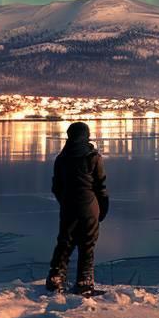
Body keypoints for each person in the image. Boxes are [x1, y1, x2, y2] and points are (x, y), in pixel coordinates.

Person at [46, 122, 109, 295]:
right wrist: (102, 208)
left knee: (65, 241)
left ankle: (55, 277)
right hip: (89, 205)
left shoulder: (62, 158)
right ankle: (84, 281)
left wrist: (65, 201)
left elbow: (56, 186)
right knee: (87, 243)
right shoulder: (93, 157)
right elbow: (100, 186)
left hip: (68, 205)